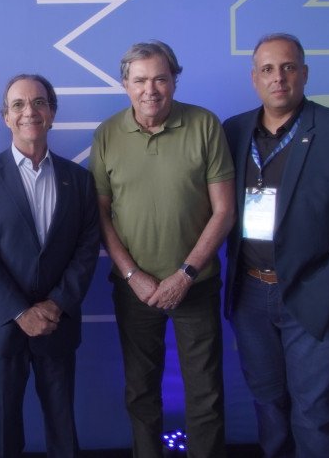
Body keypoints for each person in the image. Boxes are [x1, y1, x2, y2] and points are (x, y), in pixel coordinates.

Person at [223, 33, 329, 458]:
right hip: (249, 292)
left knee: (314, 413)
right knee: (267, 403)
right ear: (254, 78)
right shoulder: (233, 132)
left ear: (304, 73)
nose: (278, 78)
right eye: (267, 69)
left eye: (288, 67)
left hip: (312, 294)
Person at [88, 41, 235, 458]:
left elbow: (224, 210)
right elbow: (101, 215)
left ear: (174, 81)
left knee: (205, 394)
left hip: (196, 285)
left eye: (160, 79)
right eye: (139, 80)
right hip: (134, 289)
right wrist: (133, 275)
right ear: (125, 84)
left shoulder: (205, 125)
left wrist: (185, 274)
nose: (149, 89)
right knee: (141, 392)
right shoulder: (107, 134)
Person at [0, 74, 100, 458]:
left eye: (39, 102)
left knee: (63, 431)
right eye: (19, 105)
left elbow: (86, 249)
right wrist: (21, 312)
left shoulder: (79, 180)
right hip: (2, 327)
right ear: (6, 117)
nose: (30, 112)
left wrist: (56, 304)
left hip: (57, 323)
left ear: (52, 112)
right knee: (3, 436)